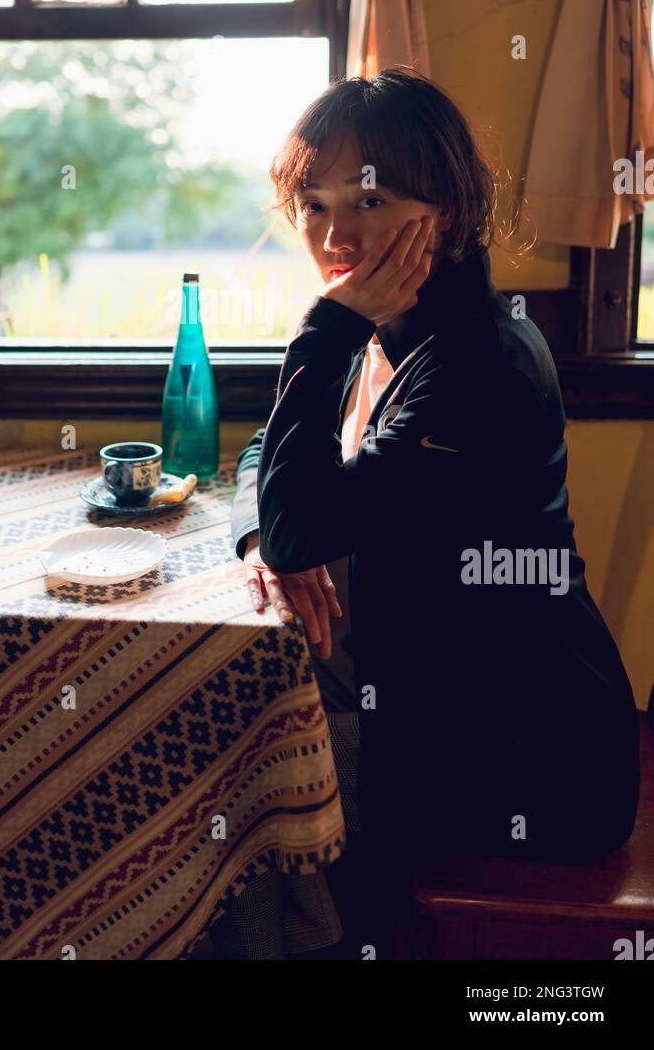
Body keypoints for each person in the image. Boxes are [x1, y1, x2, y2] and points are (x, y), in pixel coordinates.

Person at [227, 68, 640, 959]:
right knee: (245, 701)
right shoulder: (391, 323)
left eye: (369, 200)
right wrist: (263, 538)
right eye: (313, 202)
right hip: (427, 686)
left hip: (526, 755)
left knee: (228, 764)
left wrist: (320, 331)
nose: (334, 234)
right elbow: (265, 462)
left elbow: (305, 515)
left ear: (442, 213)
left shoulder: (473, 362)